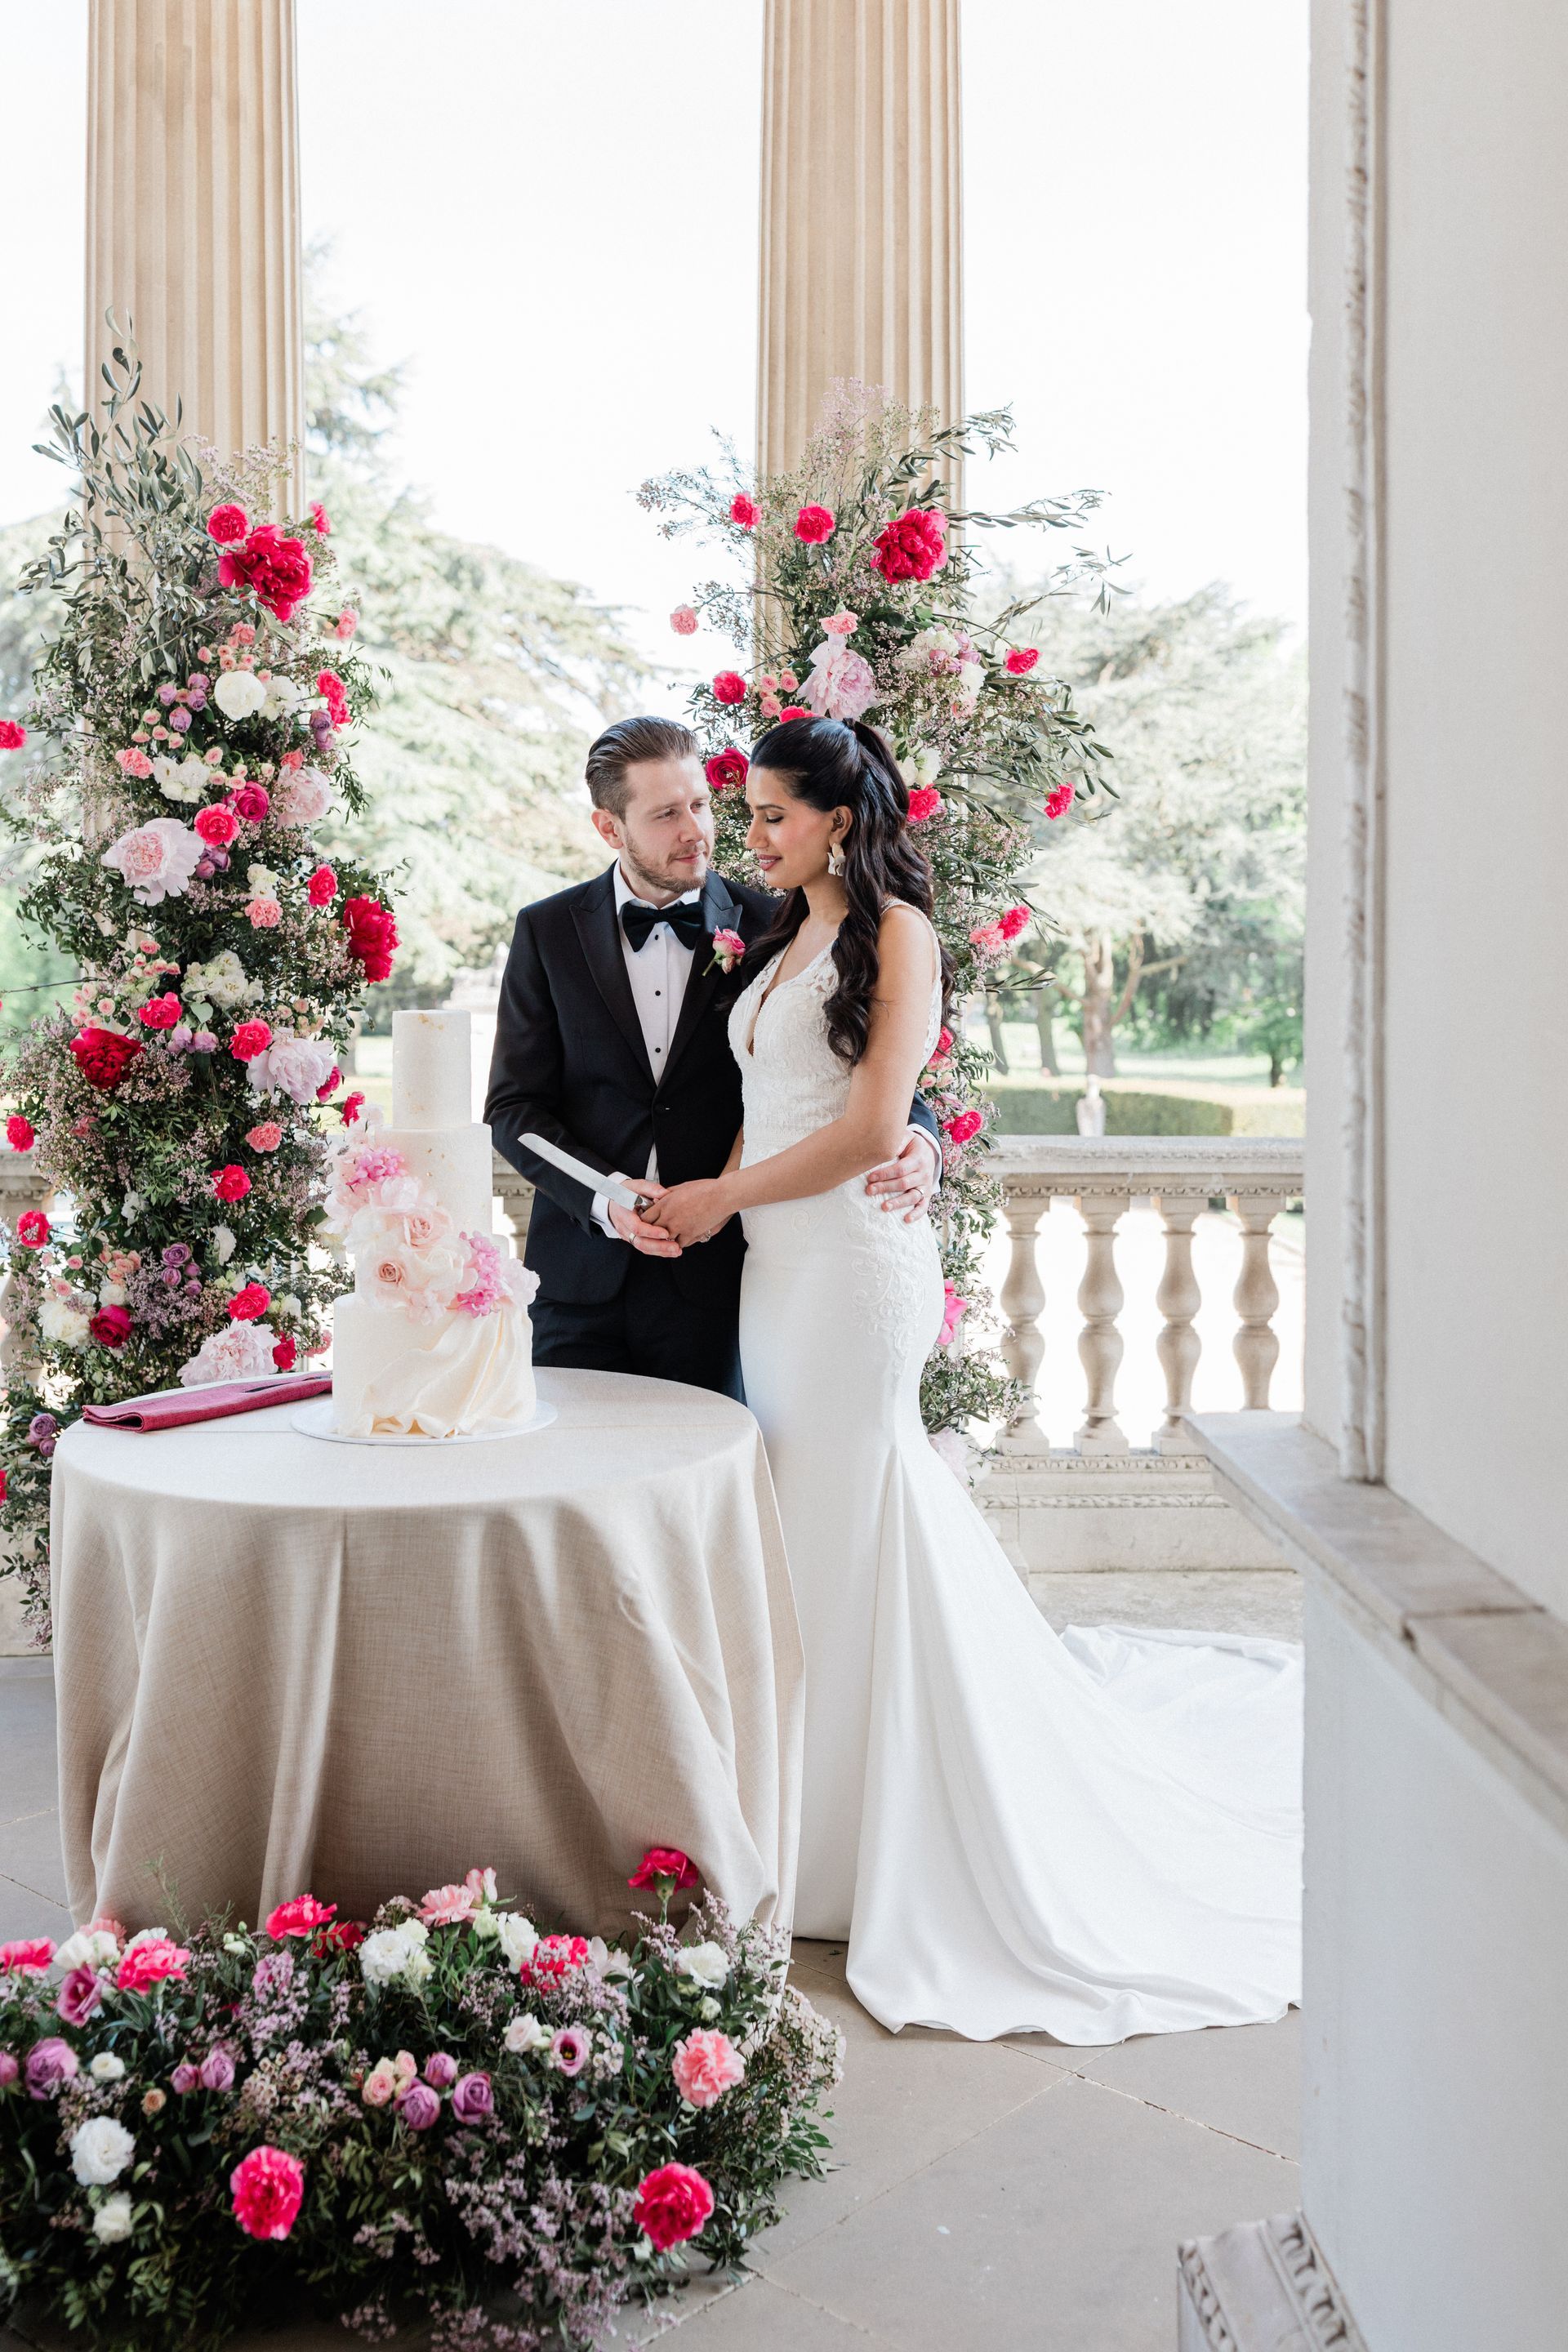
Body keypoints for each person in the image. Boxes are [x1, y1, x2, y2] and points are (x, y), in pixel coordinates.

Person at [649, 715, 1303, 2043]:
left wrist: (722, 1196)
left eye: (775, 814)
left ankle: (876, 1839)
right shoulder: (778, 942)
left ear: (840, 817)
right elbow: (767, 1102)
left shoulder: (903, 936)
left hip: (850, 1271)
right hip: (779, 1276)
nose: (754, 835)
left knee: (855, 1507)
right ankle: (807, 1819)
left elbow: (875, 1127)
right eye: (753, 813)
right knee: (805, 1525)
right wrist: (697, 1198)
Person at [485, 715, 942, 1398]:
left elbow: (852, 1067)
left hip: (724, 1283)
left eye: (700, 804)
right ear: (609, 828)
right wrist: (606, 1200)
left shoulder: (779, 920)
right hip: (580, 1284)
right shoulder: (547, 931)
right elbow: (512, 1108)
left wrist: (922, 1141)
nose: (696, 830)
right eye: (668, 814)